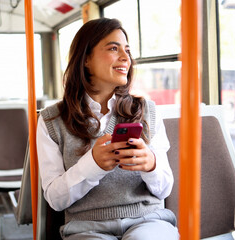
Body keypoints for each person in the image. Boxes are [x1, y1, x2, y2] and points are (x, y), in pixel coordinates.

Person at [36, 18, 179, 240]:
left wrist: (150, 165)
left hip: (148, 221)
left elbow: (164, 189)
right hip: (86, 229)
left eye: (127, 50)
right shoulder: (51, 121)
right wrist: (92, 165)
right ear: (86, 59)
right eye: (113, 48)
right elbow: (55, 200)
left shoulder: (148, 111)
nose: (125, 58)